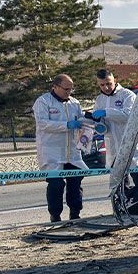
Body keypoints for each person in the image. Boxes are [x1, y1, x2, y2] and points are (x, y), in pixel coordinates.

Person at [33, 74, 89, 222]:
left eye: (71, 89)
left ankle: (75, 214)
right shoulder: (43, 102)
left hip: (72, 152)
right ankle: (55, 215)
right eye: (66, 89)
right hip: (52, 152)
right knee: (56, 184)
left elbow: (81, 121)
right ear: (55, 87)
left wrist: (88, 122)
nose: (69, 92)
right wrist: (66, 125)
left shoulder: (74, 103)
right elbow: (43, 123)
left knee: (76, 182)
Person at [90, 69, 138, 187]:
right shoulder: (100, 99)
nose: (106, 87)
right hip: (113, 148)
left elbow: (128, 115)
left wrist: (106, 112)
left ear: (114, 80)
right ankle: (122, 205)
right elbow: (97, 121)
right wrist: (98, 125)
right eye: (102, 85)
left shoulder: (127, 95)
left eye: (108, 83)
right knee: (118, 186)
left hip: (131, 145)